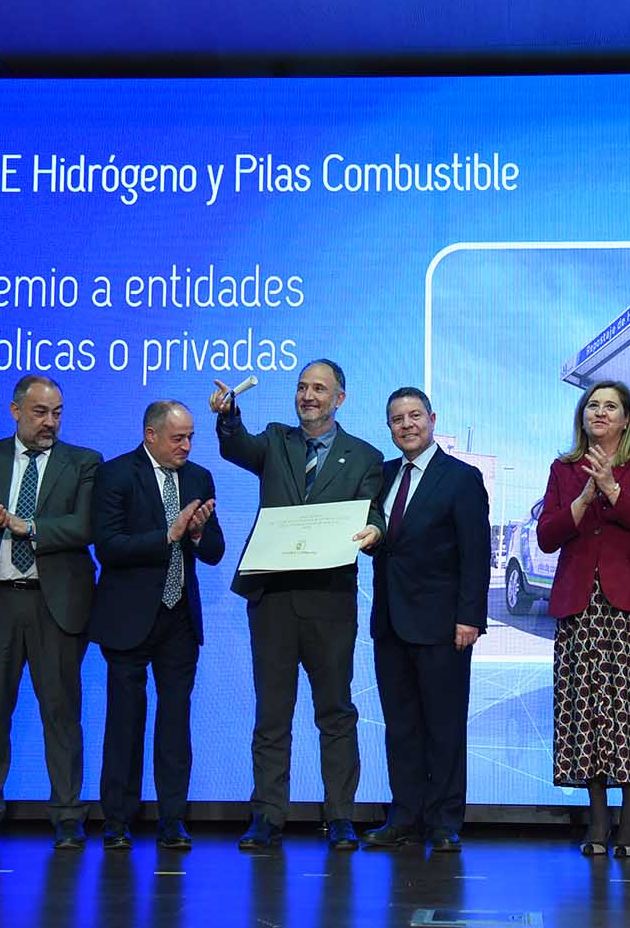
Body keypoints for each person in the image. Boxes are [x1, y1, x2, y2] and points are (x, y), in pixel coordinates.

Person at [209, 360, 384, 851]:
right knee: (272, 714)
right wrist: (228, 416)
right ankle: (267, 816)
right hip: (274, 600)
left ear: (339, 399)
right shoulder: (275, 440)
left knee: (336, 713)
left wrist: (376, 530)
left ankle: (341, 817)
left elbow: (373, 511)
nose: (308, 395)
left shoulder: (365, 456)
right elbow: (236, 446)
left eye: (319, 389)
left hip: (330, 601)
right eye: (303, 387)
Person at [0, 375, 102, 852]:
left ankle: (68, 814)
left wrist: (26, 525)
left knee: (62, 713)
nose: (50, 422)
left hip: (55, 604)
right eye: (40, 412)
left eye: (57, 412)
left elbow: (84, 526)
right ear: (16, 411)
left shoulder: (84, 462)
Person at [535, 380, 630, 859]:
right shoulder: (563, 468)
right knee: (587, 710)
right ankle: (597, 816)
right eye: (592, 405)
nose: (600, 412)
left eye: (610, 406)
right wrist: (582, 498)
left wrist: (613, 490)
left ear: (626, 418)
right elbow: (546, 537)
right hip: (581, 604)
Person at [89, 400, 223, 851]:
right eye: (177, 438)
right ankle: (117, 820)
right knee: (124, 722)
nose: (186, 446)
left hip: (179, 619)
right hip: (128, 619)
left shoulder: (199, 478)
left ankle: (172, 819)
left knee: (175, 722)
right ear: (151, 435)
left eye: (190, 438)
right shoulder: (115, 474)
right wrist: (168, 535)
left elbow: (215, 551)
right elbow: (108, 546)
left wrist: (198, 533)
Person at [361, 387, 490, 853]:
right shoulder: (381, 476)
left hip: (443, 625)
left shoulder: (462, 478)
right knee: (401, 727)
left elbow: (476, 553)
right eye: (397, 419)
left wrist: (470, 617)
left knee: (444, 726)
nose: (407, 425)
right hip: (389, 622)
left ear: (432, 420)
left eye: (415, 415)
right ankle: (405, 817)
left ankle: (445, 821)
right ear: (389, 428)